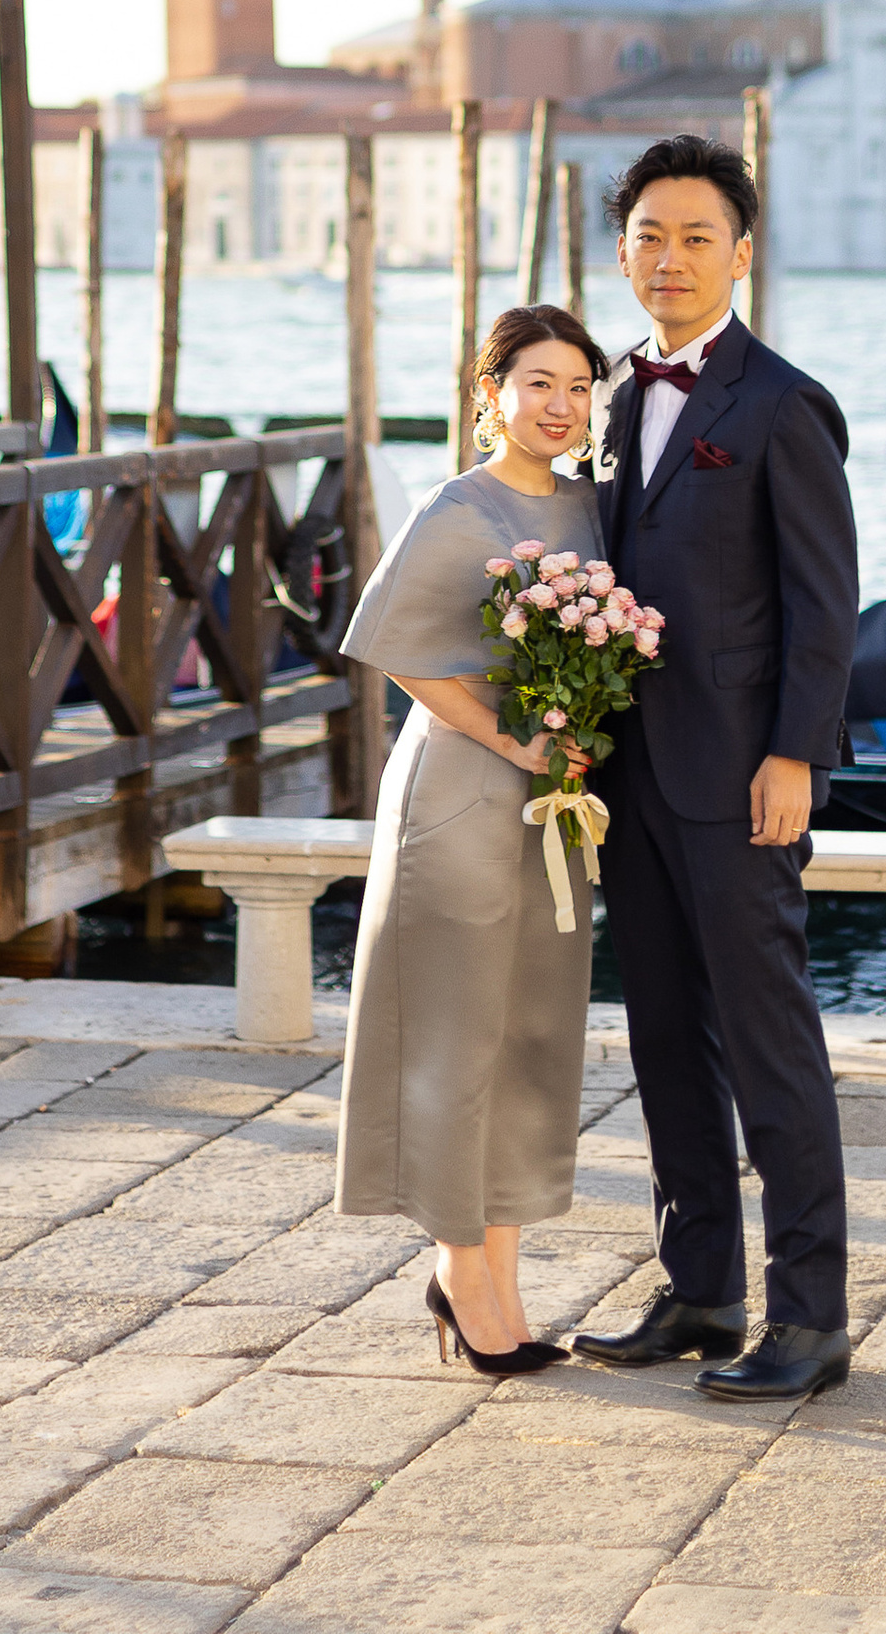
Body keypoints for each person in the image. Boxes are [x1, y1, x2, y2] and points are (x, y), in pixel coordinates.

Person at [571, 135, 862, 1404]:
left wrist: (796, 753)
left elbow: (824, 606)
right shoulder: (615, 401)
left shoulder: (783, 406)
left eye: (698, 237)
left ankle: (810, 1316)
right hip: (631, 781)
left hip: (744, 778)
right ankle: (700, 1290)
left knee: (768, 1046)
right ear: (622, 252)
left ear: (741, 254)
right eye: (649, 236)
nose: (671, 259)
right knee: (663, 1045)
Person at [335, 303, 608, 1374]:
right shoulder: (458, 509)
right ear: (487, 391)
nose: (560, 405)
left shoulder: (593, 507)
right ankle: (462, 1273)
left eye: (579, 387)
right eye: (537, 383)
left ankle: (500, 1270)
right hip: (460, 792)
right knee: (454, 1036)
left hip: (554, 807)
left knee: (530, 1035)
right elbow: (400, 650)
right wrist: (511, 738)